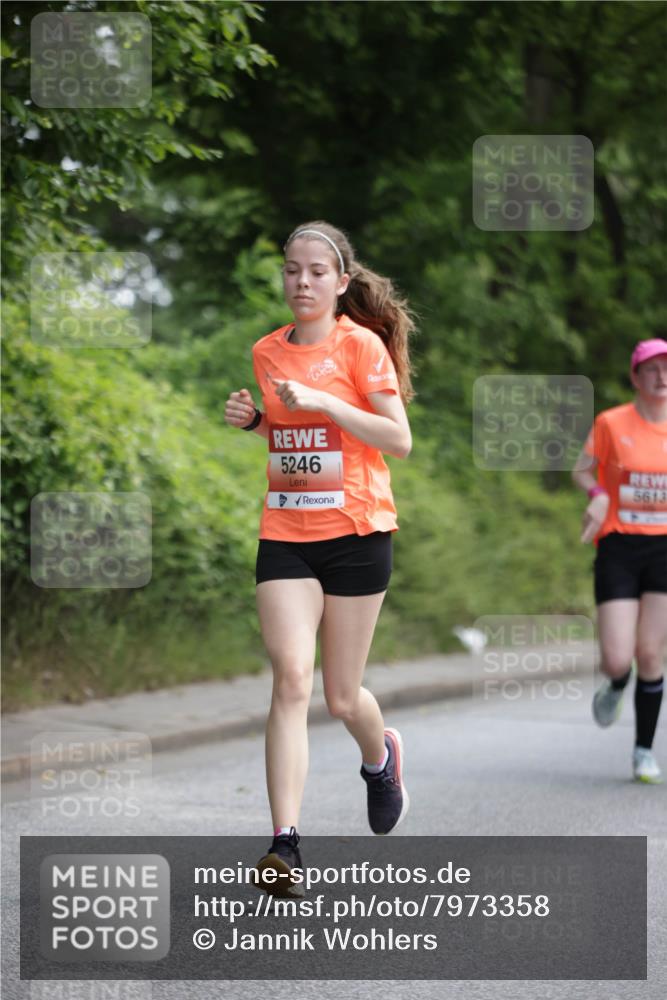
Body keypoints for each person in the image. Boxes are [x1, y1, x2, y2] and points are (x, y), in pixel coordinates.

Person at [224, 221, 415, 896]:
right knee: (290, 678)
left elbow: (397, 439)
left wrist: (329, 401)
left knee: (339, 696)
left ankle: (379, 756)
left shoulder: (360, 346)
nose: (300, 282)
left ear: (339, 283)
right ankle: (285, 845)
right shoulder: (267, 351)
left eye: (315, 272)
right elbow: (292, 434)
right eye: (291, 270)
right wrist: (258, 422)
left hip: (357, 534)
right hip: (285, 531)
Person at [573, 338, 667, 783]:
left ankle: (643, 751)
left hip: (664, 548)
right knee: (617, 659)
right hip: (620, 547)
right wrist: (597, 493)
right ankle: (615, 683)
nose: (662, 377)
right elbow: (581, 469)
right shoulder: (612, 423)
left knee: (650, 653)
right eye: (652, 369)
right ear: (635, 376)